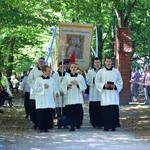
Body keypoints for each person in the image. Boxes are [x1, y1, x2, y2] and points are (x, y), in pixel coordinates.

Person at [95, 56, 123, 131]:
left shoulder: (116, 71)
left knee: (113, 111)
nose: (108, 63)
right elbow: (97, 82)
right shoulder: (100, 72)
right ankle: (106, 126)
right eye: (107, 61)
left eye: (109, 61)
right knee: (105, 111)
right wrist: (103, 85)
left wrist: (115, 86)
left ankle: (113, 126)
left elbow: (120, 82)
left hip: (113, 95)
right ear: (105, 62)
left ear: (111, 62)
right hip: (105, 94)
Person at [60, 62, 87, 131]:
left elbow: (84, 86)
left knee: (78, 112)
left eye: (74, 67)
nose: (73, 68)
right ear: (70, 68)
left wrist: (78, 84)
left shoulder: (80, 77)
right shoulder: (66, 77)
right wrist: (67, 86)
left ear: (76, 68)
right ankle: (72, 125)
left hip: (77, 97)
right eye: (72, 67)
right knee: (70, 113)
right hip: (70, 97)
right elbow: (62, 85)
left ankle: (78, 124)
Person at [33, 65, 59, 132]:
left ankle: (46, 127)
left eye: (50, 71)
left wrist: (56, 92)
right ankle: (41, 127)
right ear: (44, 71)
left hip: (49, 99)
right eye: (48, 71)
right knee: (41, 115)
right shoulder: (38, 79)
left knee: (48, 114)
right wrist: (42, 87)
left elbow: (55, 87)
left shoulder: (51, 79)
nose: (49, 72)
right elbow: (35, 89)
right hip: (41, 100)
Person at [27, 57, 45, 129]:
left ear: (44, 63)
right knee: (33, 109)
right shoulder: (33, 71)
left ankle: (42, 123)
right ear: (38, 62)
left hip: (43, 94)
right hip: (35, 94)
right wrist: (36, 86)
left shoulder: (47, 70)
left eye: (42, 62)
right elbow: (29, 80)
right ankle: (35, 122)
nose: (41, 63)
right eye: (40, 62)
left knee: (42, 110)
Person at [86, 57, 103, 128]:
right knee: (93, 110)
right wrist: (94, 79)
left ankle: (101, 123)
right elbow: (87, 81)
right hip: (93, 93)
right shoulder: (90, 72)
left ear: (100, 63)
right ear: (93, 63)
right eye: (95, 63)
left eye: (98, 62)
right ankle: (94, 123)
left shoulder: (103, 71)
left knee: (100, 109)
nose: (97, 64)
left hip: (101, 94)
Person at [52, 61, 68, 128]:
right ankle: (57, 124)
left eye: (64, 67)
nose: (62, 68)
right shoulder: (54, 75)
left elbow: (68, 84)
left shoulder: (67, 75)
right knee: (57, 110)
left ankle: (65, 124)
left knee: (65, 110)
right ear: (58, 67)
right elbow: (53, 85)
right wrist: (57, 92)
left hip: (65, 94)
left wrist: (64, 91)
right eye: (61, 67)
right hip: (57, 95)